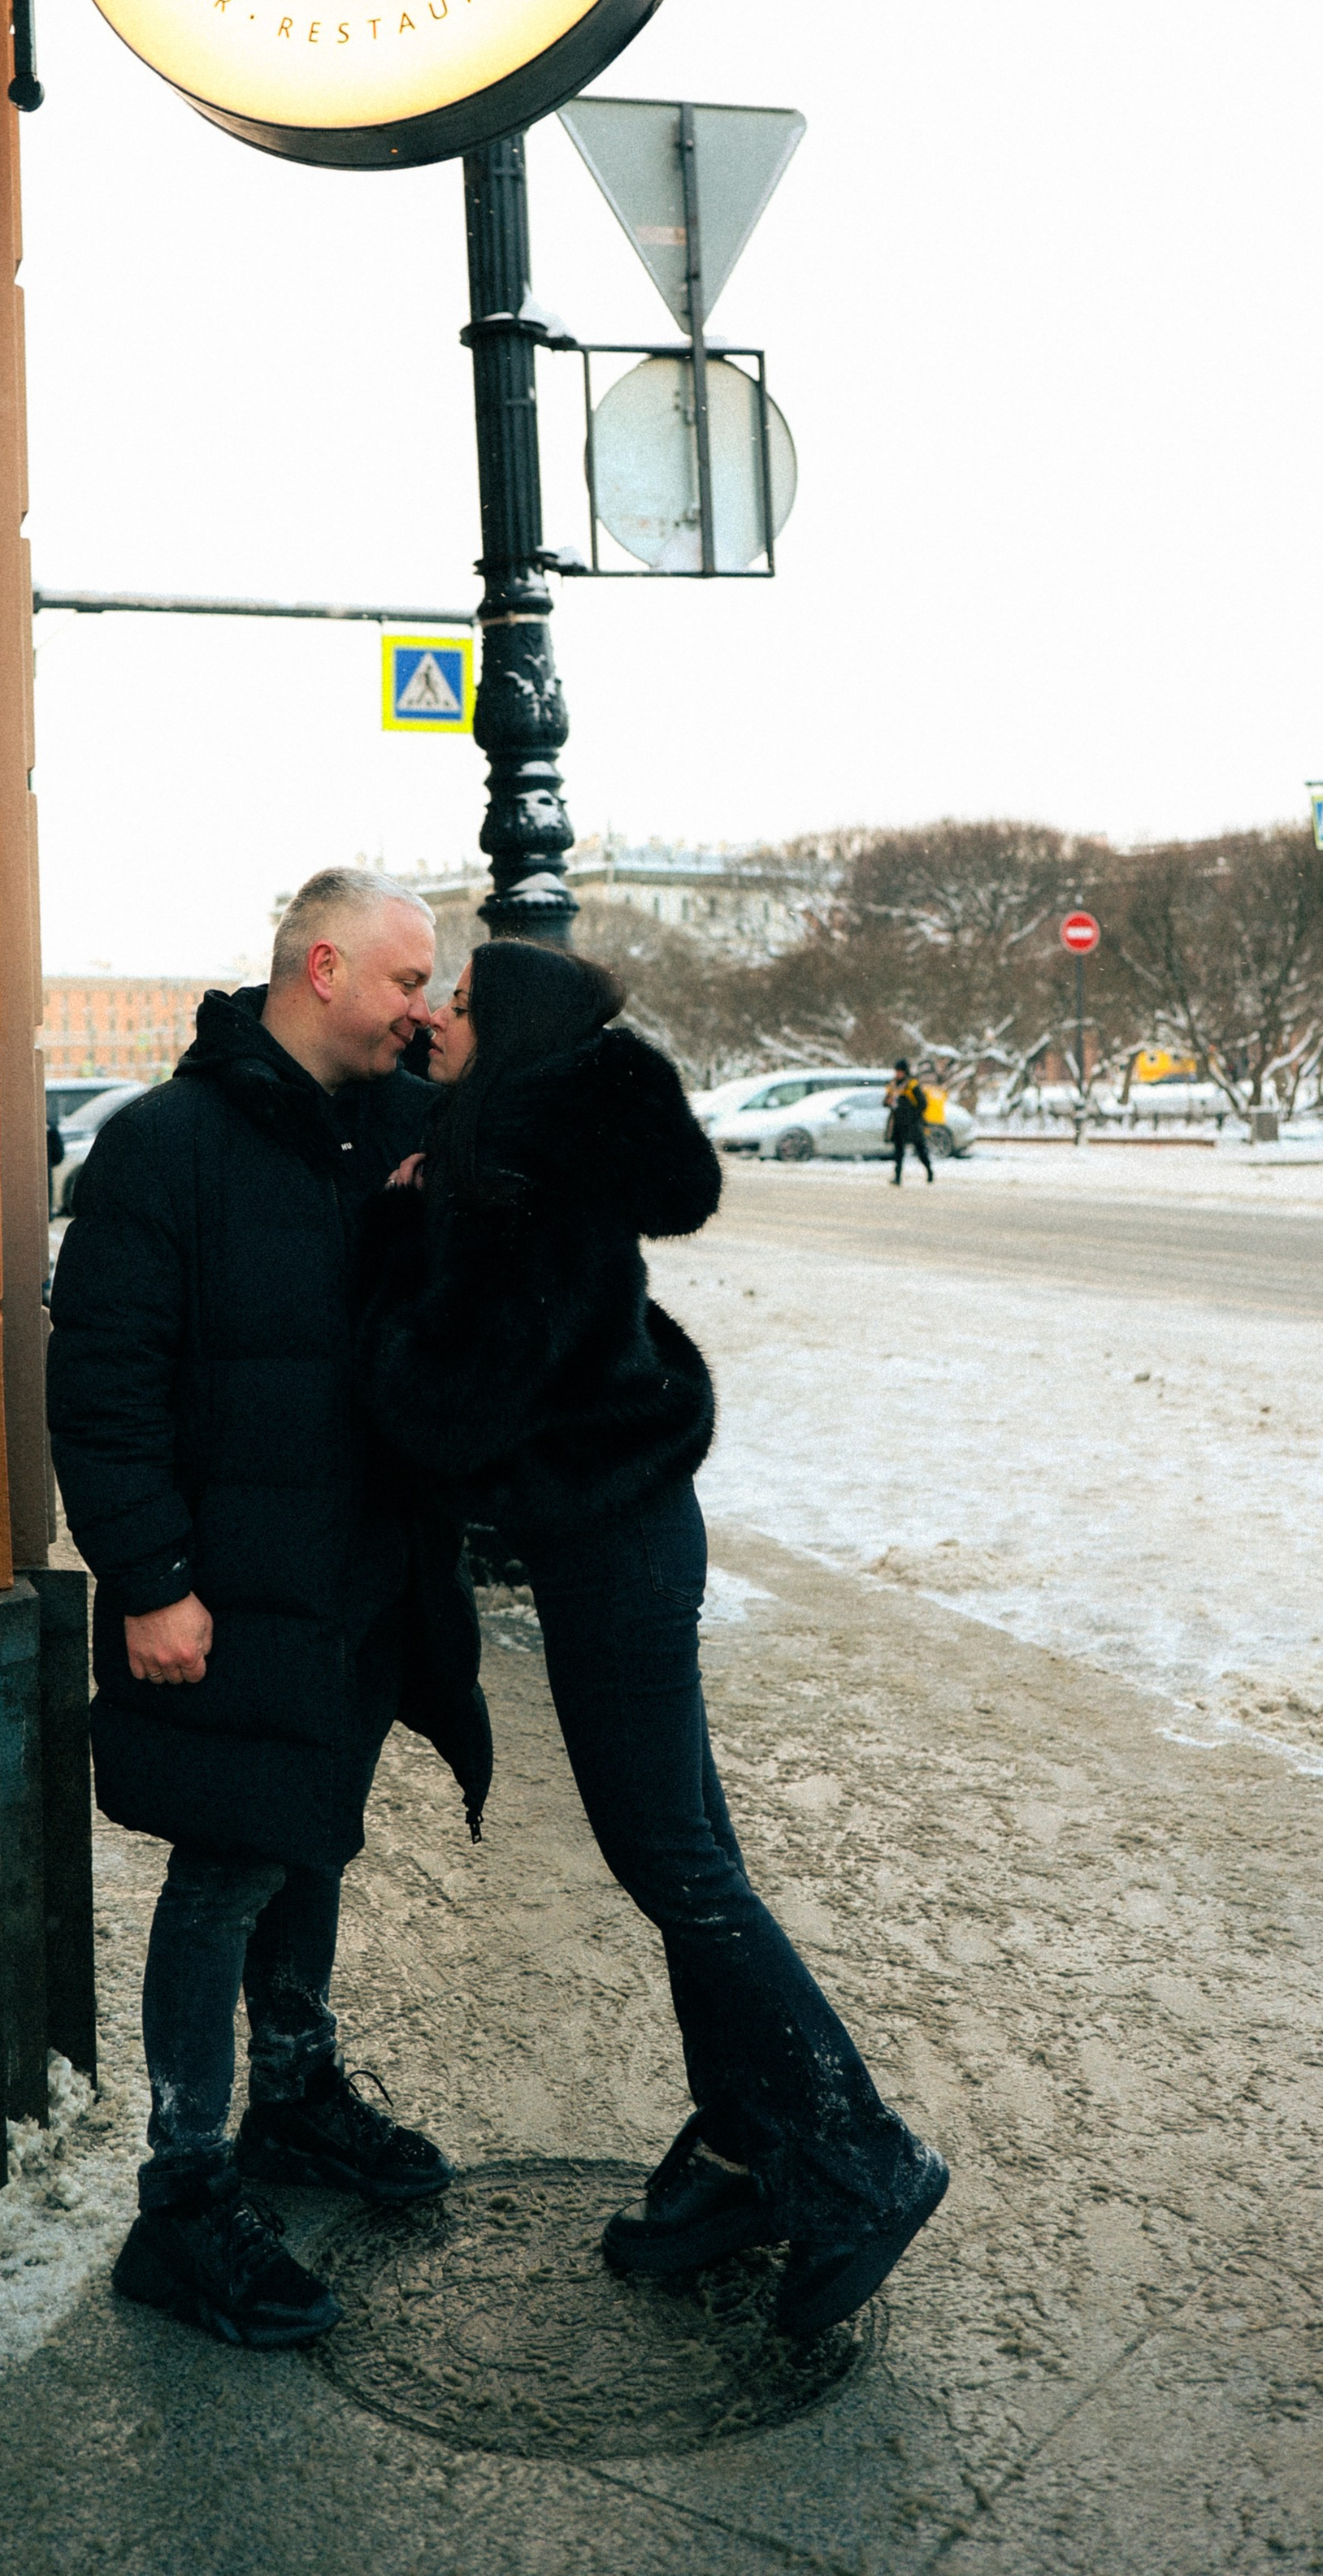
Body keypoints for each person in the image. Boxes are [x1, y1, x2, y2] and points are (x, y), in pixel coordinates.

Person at [357, 942, 949, 2344]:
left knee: (671, 1862)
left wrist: (393, 1238)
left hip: (607, 1541)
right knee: (694, 1853)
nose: (437, 1020)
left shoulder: (511, 1170)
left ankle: (857, 2151)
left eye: (460, 1005)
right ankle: (748, 2155)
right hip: (636, 1518)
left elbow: (451, 1401)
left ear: (509, 1034)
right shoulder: (546, 1140)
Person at [46, 871, 491, 2350]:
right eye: (408, 982)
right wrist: (152, 1583)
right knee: (230, 1866)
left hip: (353, 1586)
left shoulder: (394, 1132)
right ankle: (182, 2201)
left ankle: (294, 2092)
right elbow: (102, 1389)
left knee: (311, 1840)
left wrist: (470, 1107)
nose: (423, 1010)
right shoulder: (165, 1149)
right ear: (322, 968)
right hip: (228, 1591)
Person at [887, 1059, 934, 1185]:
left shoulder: (912, 1085)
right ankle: (897, 1177)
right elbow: (887, 1101)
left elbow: (923, 1104)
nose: (898, 1074)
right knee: (898, 1151)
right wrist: (888, 1103)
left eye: (900, 1071)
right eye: (897, 1071)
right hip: (898, 1123)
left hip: (912, 1124)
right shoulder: (893, 1085)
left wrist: (912, 1114)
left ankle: (929, 1171)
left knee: (920, 1149)